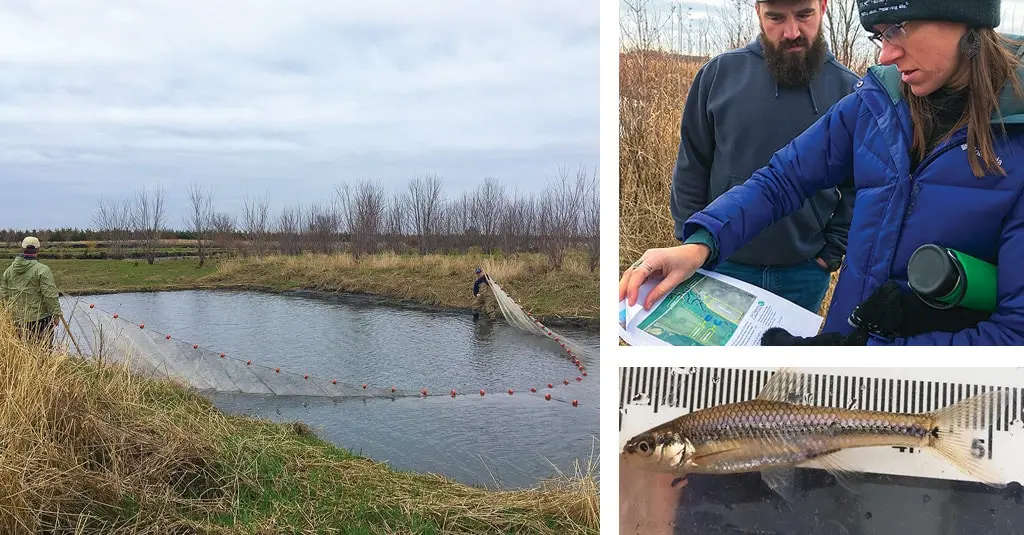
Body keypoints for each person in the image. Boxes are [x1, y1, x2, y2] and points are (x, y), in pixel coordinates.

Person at [621, 0, 1024, 346]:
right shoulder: (875, 103)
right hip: (843, 348)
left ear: (965, 17)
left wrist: (863, 356)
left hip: (933, 393)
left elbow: (1014, 334)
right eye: (880, 35)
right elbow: (783, 179)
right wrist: (700, 243)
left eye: (899, 29)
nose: (886, 55)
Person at [670, 0, 860, 313]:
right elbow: (692, 164)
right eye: (775, 17)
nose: (792, 31)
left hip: (804, 272)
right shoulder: (718, 75)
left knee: (786, 365)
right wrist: (693, 242)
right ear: (758, 11)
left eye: (804, 15)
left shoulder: (850, 89)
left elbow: (860, 184)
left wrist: (832, 250)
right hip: (722, 265)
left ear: (823, 7)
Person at [1, 237, 63, 348]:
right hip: (40, 320)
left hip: (17, 320)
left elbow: (4, 295)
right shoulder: (43, 270)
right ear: (38, 250)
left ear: (22, 249)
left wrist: (8, 314)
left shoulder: (9, 271)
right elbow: (50, 295)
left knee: (23, 351)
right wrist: (56, 314)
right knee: (43, 352)